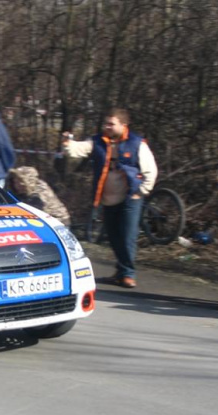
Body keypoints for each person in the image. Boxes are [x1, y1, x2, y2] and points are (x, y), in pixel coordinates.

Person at [62, 107, 157, 288]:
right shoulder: (98, 141)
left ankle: (128, 274)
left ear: (123, 125)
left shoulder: (137, 144)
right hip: (108, 198)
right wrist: (67, 145)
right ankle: (121, 272)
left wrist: (142, 191)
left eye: (111, 124)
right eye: (106, 123)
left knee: (127, 236)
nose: (107, 127)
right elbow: (78, 149)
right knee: (113, 236)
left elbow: (150, 171)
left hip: (131, 197)